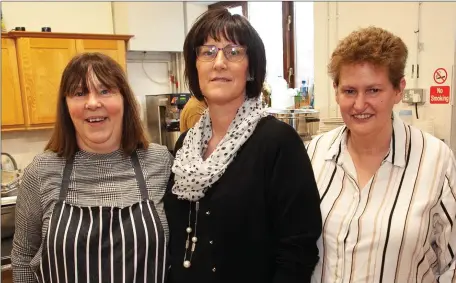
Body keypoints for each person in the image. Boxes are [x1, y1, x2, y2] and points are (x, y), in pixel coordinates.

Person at [163, 8, 322, 283]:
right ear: (195, 66)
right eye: (208, 51)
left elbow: (298, 249)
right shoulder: (185, 146)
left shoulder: (278, 143)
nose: (219, 62)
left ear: (251, 69)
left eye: (234, 52)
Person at [307, 26, 456, 283]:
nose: (360, 104)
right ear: (336, 90)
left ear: (398, 89)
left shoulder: (435, 160)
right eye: (349, 91)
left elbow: (449, 262)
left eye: (374, 90)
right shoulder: (315, 153)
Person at [11, 52, 173, 283]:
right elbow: (23, 256)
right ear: (66, 105)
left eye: (105, 91)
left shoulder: (160, 161)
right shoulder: (41, 170)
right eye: (79, 93)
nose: (93, 103)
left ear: (125, 99)